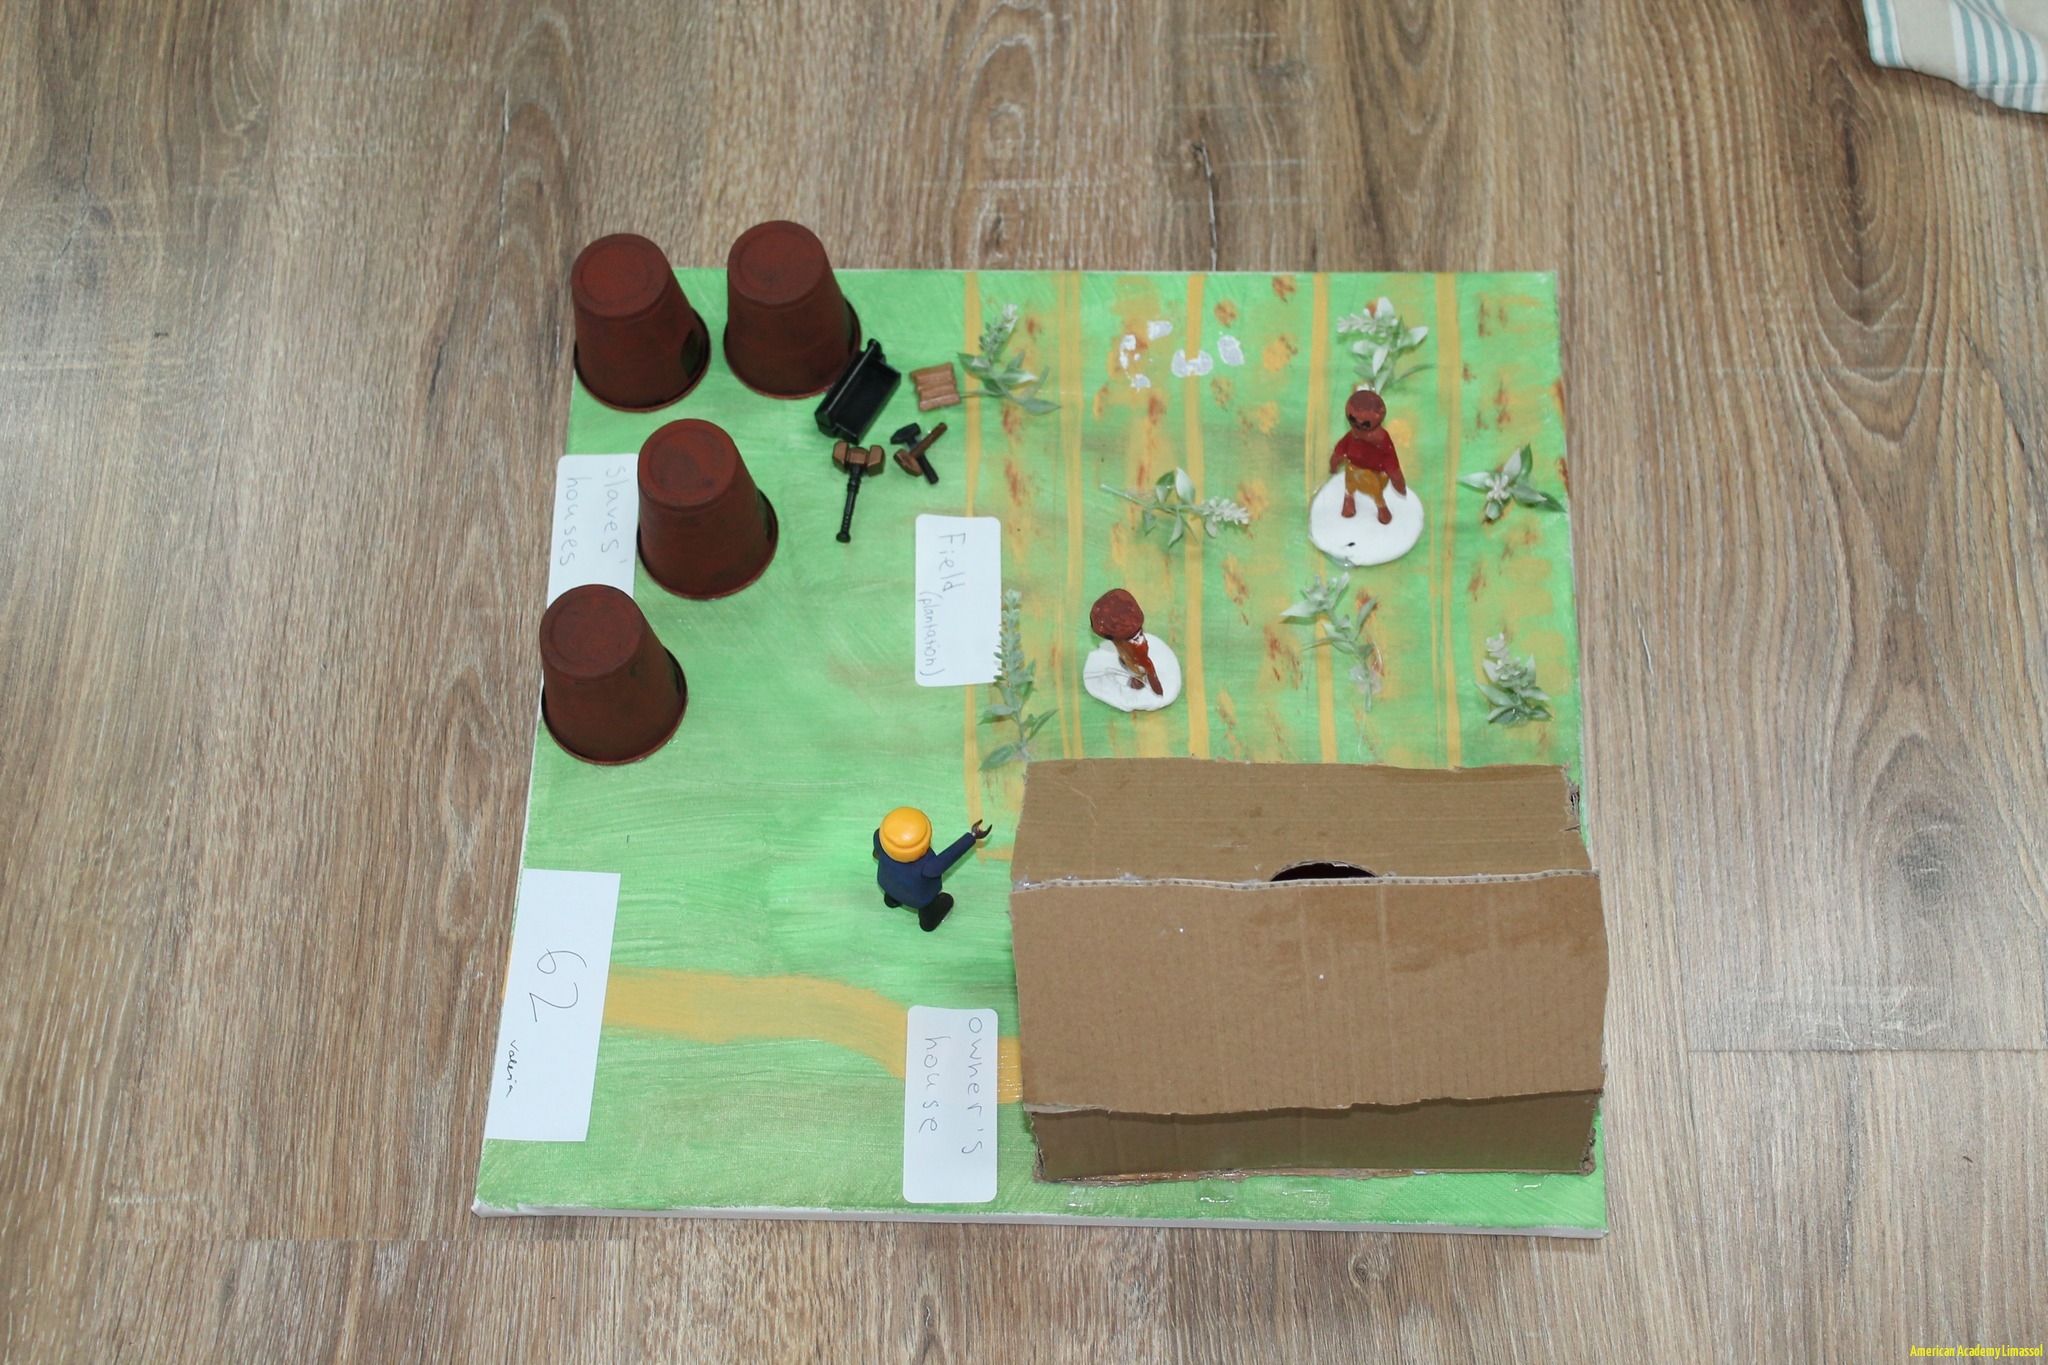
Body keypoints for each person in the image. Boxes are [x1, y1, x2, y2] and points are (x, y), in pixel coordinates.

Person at [874, 807, 991, 931]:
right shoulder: (928, 865)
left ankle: (891, 900)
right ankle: (927, 922)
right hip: (917, 898)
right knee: (931, 909)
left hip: (887, 883)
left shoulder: (879, 839)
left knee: (893, 889)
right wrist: (972, 836)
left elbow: (876, 850)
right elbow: (949, 856)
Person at [1329, 388, 1407, 523]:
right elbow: (1341, 449)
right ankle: (1349, 500)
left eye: (1365, 424)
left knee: (1372, 485)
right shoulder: (1353, 435)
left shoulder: (1382, 440)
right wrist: (1335, 462)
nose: (1358, 426)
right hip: (1353, 468)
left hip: (1377, 474)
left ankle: (1381, 506)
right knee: (1350, 479)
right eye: (1353, 420)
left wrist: (1397, 478)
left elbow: (1390, 459)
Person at [1088, 588, 1163, 694]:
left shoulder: (1138, 646)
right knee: (1127, 655)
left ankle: (1140, 679)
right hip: (1124, 646)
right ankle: (1127, 663)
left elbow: (1148, 665)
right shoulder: (1120, 638)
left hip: (1134, 654)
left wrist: (1156, 686)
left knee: (1137, 663)